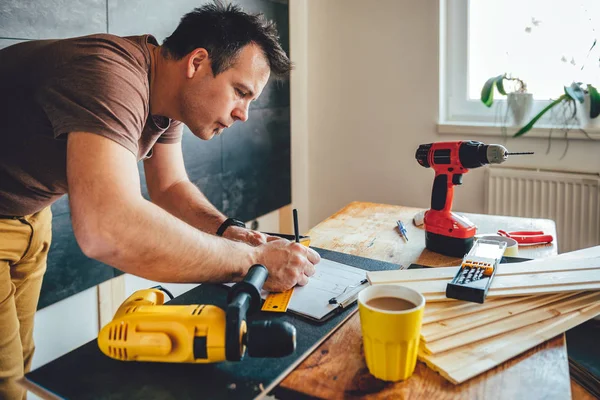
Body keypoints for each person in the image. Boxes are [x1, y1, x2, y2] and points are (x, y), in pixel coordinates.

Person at [0, 3, 320, 398]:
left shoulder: (164, 96)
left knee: (20, 366)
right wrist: (252, 262)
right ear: (198, 62)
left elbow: (169, 187)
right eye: (240, 92)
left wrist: (234, 235)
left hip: (30, 212)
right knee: (7, 383)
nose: (245, 115)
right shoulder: (110, 77)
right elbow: (106, 228)